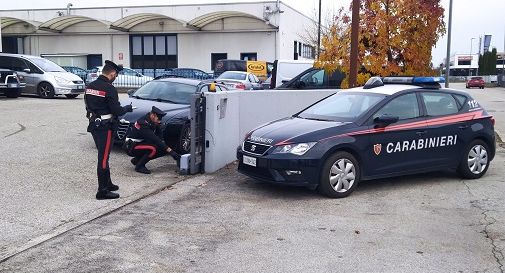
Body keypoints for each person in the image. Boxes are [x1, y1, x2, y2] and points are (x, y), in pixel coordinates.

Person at [85, 60, 133, 200]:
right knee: (104, 158)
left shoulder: (90, 86)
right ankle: (102, 191)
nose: (116, 78)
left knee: (103, 154)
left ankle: (108, 183)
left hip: (95, 125)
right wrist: (127, 109)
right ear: (112, 74)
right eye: (116, 75)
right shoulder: (109, 88)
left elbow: (89, 106)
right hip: (106, 127)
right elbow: (117, 111)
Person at [124, 106, 181, 174]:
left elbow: (160, 138)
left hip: (140, 143)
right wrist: (171, 152)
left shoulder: (152, 121)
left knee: (163, 148)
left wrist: (169, 149)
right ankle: (139, 166)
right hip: (131, 146)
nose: (159, 120)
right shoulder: (143, 123)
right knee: (153, 149)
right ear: (153, 115)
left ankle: (137, 160)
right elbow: (155, 139)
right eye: (158, 118)